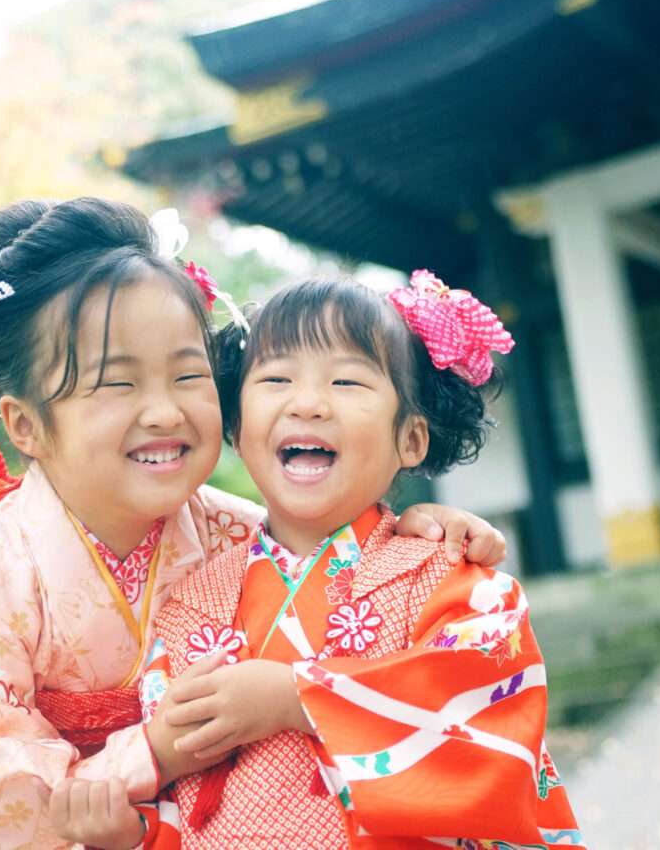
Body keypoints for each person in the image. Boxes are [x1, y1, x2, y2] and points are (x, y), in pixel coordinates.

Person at [0, 199, 508, 848]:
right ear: (26, 423)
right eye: (118, 383)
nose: (165, 412)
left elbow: (346, 569)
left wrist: (413, 530)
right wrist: (154, 752)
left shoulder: (241, 534)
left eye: (186, 374)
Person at [46, 273, 581, 849]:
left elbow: (488, 728)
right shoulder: (188, 609)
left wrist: (299, 697)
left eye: (347, 381)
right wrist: (132, 833)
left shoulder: (450, 576)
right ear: (235, 426)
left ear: (413, 440)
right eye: (276, 378)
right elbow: (190, 805)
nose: (307, 403)